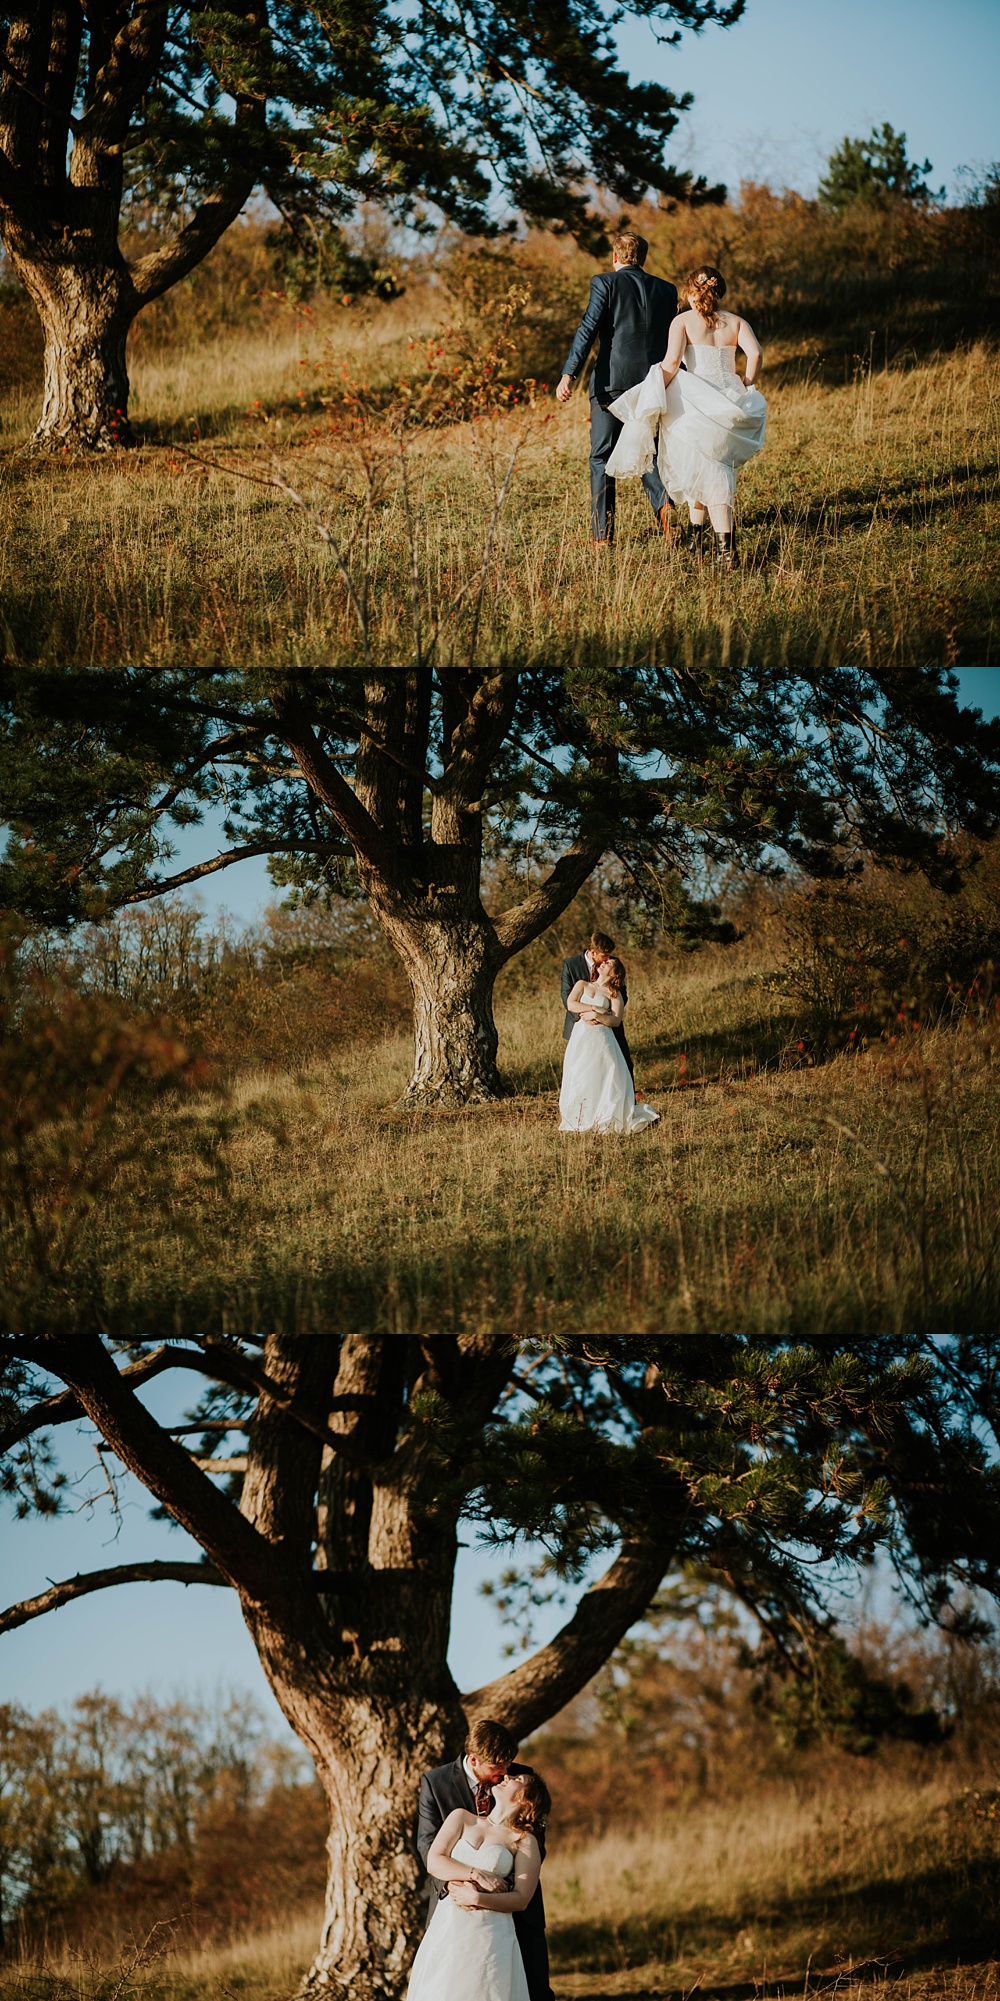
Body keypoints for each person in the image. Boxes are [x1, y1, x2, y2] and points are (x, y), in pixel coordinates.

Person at [605, 265, 766, 569]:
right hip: (730, 400)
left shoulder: (683, 321)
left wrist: (652, 393)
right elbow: (755, 354)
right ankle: (695, 537)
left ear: (692, 292)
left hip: (697, 399)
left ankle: (726, 551)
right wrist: (745, 383)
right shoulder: (736, 322)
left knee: (712, 472)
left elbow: (672, 362)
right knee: (710, 467)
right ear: (719, 292)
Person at [416, 1720, 554, 2001]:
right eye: (497, 1768)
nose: (505, 1774)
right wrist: (471, 1881)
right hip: (452, 1912)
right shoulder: (438, 1785)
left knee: (524, 1990)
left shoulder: (524, 1783)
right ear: (475, 1759)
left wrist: (490, 1891)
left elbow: (533, 1849)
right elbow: (428, 1847)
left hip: (509, 1918)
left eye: (509, 1766)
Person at [555, 231, 678, 547]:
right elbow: (676, 341)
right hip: (653, 382)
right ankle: (665, 506)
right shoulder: (666, 290)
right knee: (648, 452)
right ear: (643, 258)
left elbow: (588, 330)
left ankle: (602, 537)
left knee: (601, 457)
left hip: (611, 384)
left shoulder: (604, 283)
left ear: (615, 257)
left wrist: (569, 373)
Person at [559, 957, 659, 1134]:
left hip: (602, 1037)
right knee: (580, 1073)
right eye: (604, 962)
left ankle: (603, 1114)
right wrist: (594, 1009)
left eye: (610, 963)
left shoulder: (614, 993)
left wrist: (597, 1017)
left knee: (603, 1073)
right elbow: (571, 1004)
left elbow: (615, 1020)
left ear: (615, 972)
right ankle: (580, 1116)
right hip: (581, 1036)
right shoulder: (582, 984)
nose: (604, 962)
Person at [561, 930, 633, 1080]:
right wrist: (587, 1014)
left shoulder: (613, 966)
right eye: (604, 956)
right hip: (580, 1027)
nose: (607, 959)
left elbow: (621, 994)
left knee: (621, 1067)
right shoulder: (571, 965)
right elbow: (567, 997)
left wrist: (604, 1014)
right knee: (582, 1072)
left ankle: (626, 1100)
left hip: (608, 1028)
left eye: (609, 956)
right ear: (593, 952)